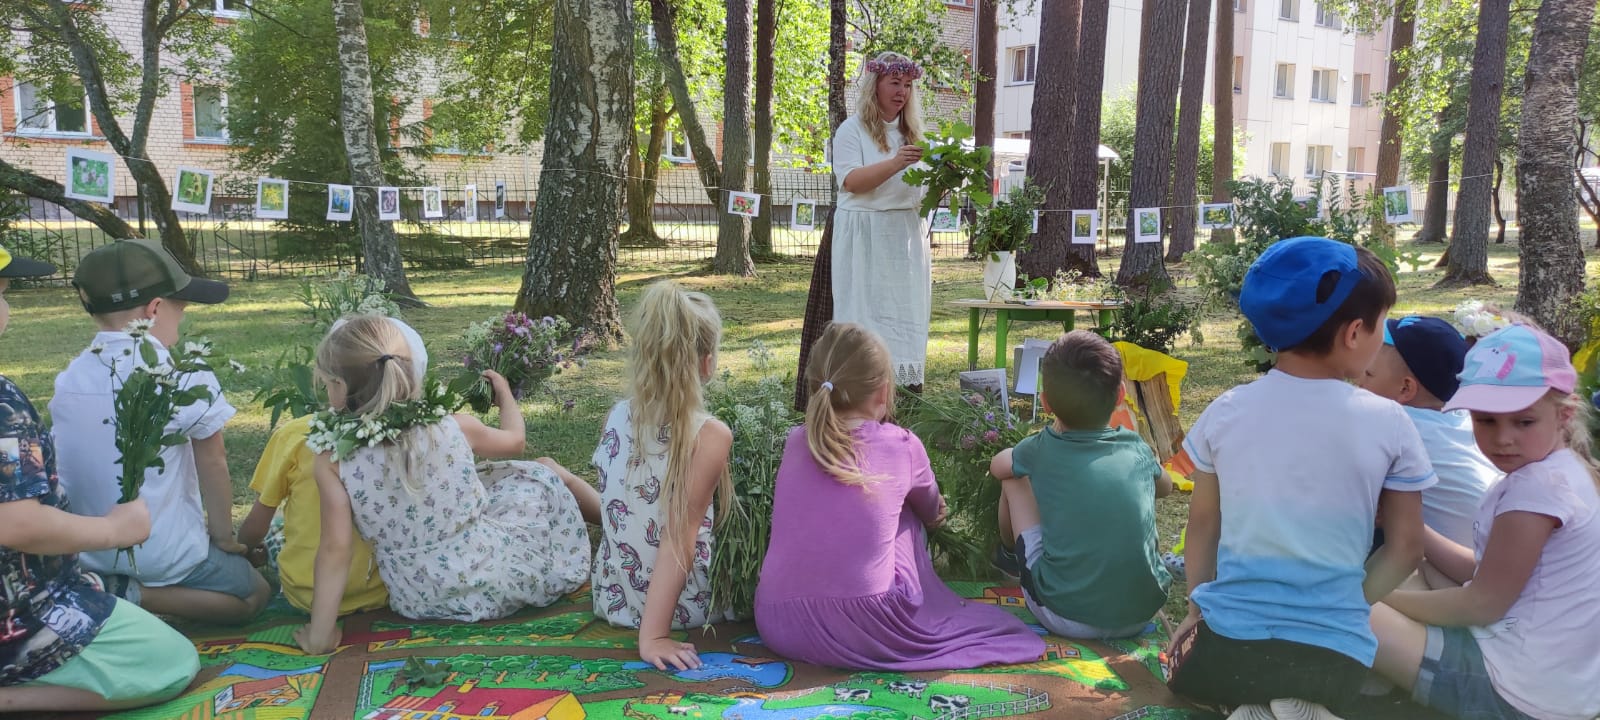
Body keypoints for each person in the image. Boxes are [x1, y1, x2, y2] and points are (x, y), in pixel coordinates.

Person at [1166, 237, 1434, 720]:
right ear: (1355, 333)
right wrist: (1350, 604)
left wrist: (1194, 610)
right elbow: (1407, 548)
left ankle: (1247, 703)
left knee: (1180, 670)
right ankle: (1295, 704)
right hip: (1335, 657)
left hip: (1231, 645)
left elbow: (1203, 524)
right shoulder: (1392, 422)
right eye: (1382, 326)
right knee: (1319, 680)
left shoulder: (1227, 411)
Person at [293, 315, 599, 654]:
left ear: (340, 386)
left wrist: (320, 634)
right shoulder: (453, 426)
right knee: (539, 475)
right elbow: (515, 442)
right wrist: (505, 395)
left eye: (327, 383)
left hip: (418, 598)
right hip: (496, 577)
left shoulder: (333, 458)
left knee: (505, 481)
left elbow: (335, 549)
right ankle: (616, 520)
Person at [755, 323, 1044, 670]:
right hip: (866, 624)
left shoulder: (795, 441)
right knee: (906, 512)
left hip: (778, 621)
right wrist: (929, 513)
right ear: (883, 391)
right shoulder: (901, 444)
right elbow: (932, 512)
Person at [0, 245, 199, 713]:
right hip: (24, 614)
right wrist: (114, 529)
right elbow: (16, 524)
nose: (7, 305)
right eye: (3, 292)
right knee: (171, 662)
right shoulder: (4, 407)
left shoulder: (70, 377)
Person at [1370, 322, 1600, 720]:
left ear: (1563, 415)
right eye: (1486, 421)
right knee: (1410, 565)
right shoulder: (1561, 470)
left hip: (1511, 694)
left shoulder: (1537, 490)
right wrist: (1413, 530)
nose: (1502, 438)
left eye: (1523, 422)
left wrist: (1377, 599)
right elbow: (1485, 571)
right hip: (1552, 681)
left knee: (1339, 606)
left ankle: (1327, 696)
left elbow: (1482, 604)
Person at [51, 239, 271, 625]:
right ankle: (137, 594)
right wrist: (223, 537)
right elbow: (214, 461)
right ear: (154, 310)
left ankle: (109, 588)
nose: (182, 319)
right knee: (256, 592)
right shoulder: (183, 376)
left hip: (88, 547)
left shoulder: (70, 379)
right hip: (164, 552)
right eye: (181, 307)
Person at [234, 317, 432, 616]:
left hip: (308, 592)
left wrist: (242, 548)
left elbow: (256, 526)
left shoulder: (296, 436)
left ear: (336, 382)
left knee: (278, 527)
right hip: (389, 588)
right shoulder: (422, 436)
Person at [990, 330, 1173, 640]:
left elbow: (998, 467)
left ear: (1046, 403)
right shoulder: (1136, 447)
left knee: (1013, 479)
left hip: (1065, 614)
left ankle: (1009, 556)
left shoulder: (1041, 448)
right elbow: (1165, 488)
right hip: (1141, 612)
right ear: (1119, 395)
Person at [591, 280, 734, 672]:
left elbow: (621, 507)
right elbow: (677, 537)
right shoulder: (709, 435)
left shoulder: (616, 416)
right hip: (684, 608)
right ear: (706, 363)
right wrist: (653, 636)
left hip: (614, 598)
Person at [829, 51, 930, 390]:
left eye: (908, 85)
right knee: (863, 315)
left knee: (904, 314)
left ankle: (903, 392)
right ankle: (860, 389)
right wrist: (896, 162)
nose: (902, 92)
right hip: (864, 236)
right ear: (875, 85)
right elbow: (851, 182)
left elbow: (919, 188)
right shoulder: (852, 130)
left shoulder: (912, 132)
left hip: (904, 236)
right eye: (894, 83)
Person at [1359, 316, 1497, 547]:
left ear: (1405, 388)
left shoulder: (1390, 423)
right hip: (1491, 548)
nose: (1358, 381)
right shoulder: (1464, 417)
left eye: (1368, 374)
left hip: (1450, 560)